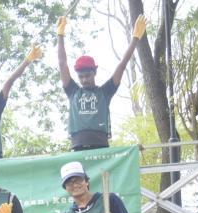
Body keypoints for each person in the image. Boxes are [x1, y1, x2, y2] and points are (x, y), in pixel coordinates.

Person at [56, 15, 147, 150]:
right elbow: (62, 64)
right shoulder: (73, 91)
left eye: (88, 75)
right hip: (78, 145)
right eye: (81, 77)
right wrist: (60, 35)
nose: (84, 79)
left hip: (101, 144)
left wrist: (135, 38)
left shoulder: (105, 92)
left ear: (95, 73)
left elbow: (122, 65)